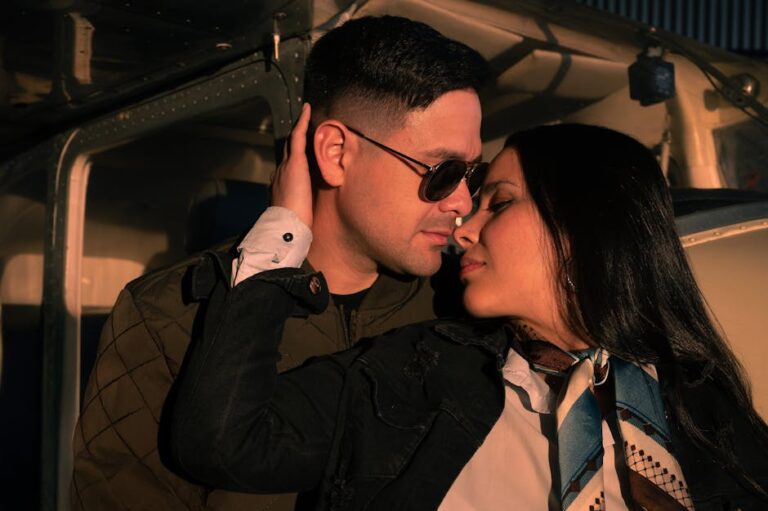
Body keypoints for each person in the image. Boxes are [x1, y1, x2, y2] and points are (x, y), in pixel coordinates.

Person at [166, 123, 768, 510]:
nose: (465, 228)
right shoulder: (406, 376)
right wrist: (284, 227)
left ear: (585, 226)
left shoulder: (707, 407)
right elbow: (220, 442)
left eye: (499, 203)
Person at [70, 16, 489, 511]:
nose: (461, 201)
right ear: (336, 152)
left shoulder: (462, 312)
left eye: (472, 174)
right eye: (442, 172)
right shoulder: (169, 313)